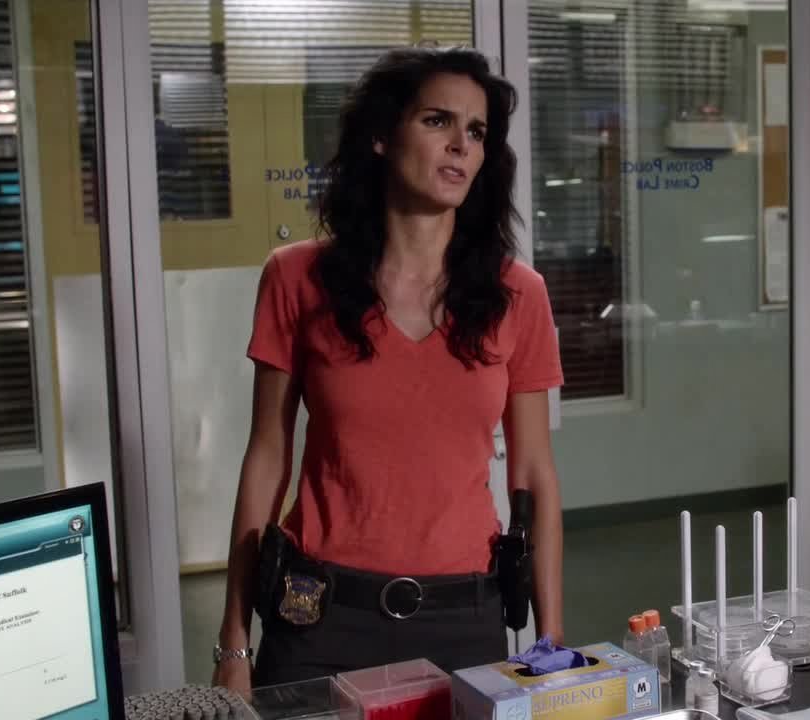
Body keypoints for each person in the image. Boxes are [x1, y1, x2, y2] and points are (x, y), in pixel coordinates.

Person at [211, 45, 565, 694]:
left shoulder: (519, 294)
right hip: (317, 617)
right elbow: (266, 457)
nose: (460, 145)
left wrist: (551, 643)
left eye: (476, 131)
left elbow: (534, 475)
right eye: (437, 121)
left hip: (465, 617)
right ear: (380, 135)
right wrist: (234, 642)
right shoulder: (296, 277)